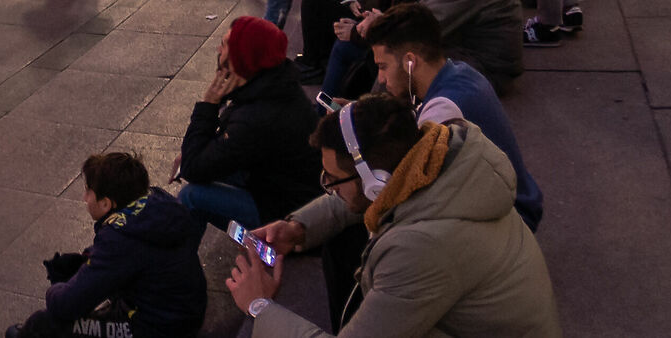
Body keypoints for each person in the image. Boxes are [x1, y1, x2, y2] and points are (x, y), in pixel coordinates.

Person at [229, 95, 560, 338]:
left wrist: (259, 306)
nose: (327, 186)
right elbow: (353, 199)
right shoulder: (439, 164)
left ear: (377, 183)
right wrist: (298, 228)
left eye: (332, 179)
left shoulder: (422, 248)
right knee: (344, 239)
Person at [367, 4, 542, 228]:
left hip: (509, 220)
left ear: (410, 62)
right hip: (518, 202)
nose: (381, 79)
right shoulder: (459, 72)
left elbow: (406, 184)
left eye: (383, 66)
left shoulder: (444, 110)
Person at [6, 151, 205, 338]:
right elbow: (132, 258)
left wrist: (57, 287)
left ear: (106, 204)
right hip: (183, 312)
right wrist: (87, 260)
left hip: (157, 328)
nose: (85, 198)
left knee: (45, 323)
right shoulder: (155, 203)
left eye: (89, 191)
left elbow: (67, 305)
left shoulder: (119, 237)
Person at [175, 15, 320, 232]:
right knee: (202, 159)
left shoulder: (257, 117)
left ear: (239, 58)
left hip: (288, 214)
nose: (218, 50)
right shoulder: (272, 82)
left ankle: (180, 265)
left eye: (223, 45)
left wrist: (209, 104)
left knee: (191, 195)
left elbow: (192, 169)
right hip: (283, 183)